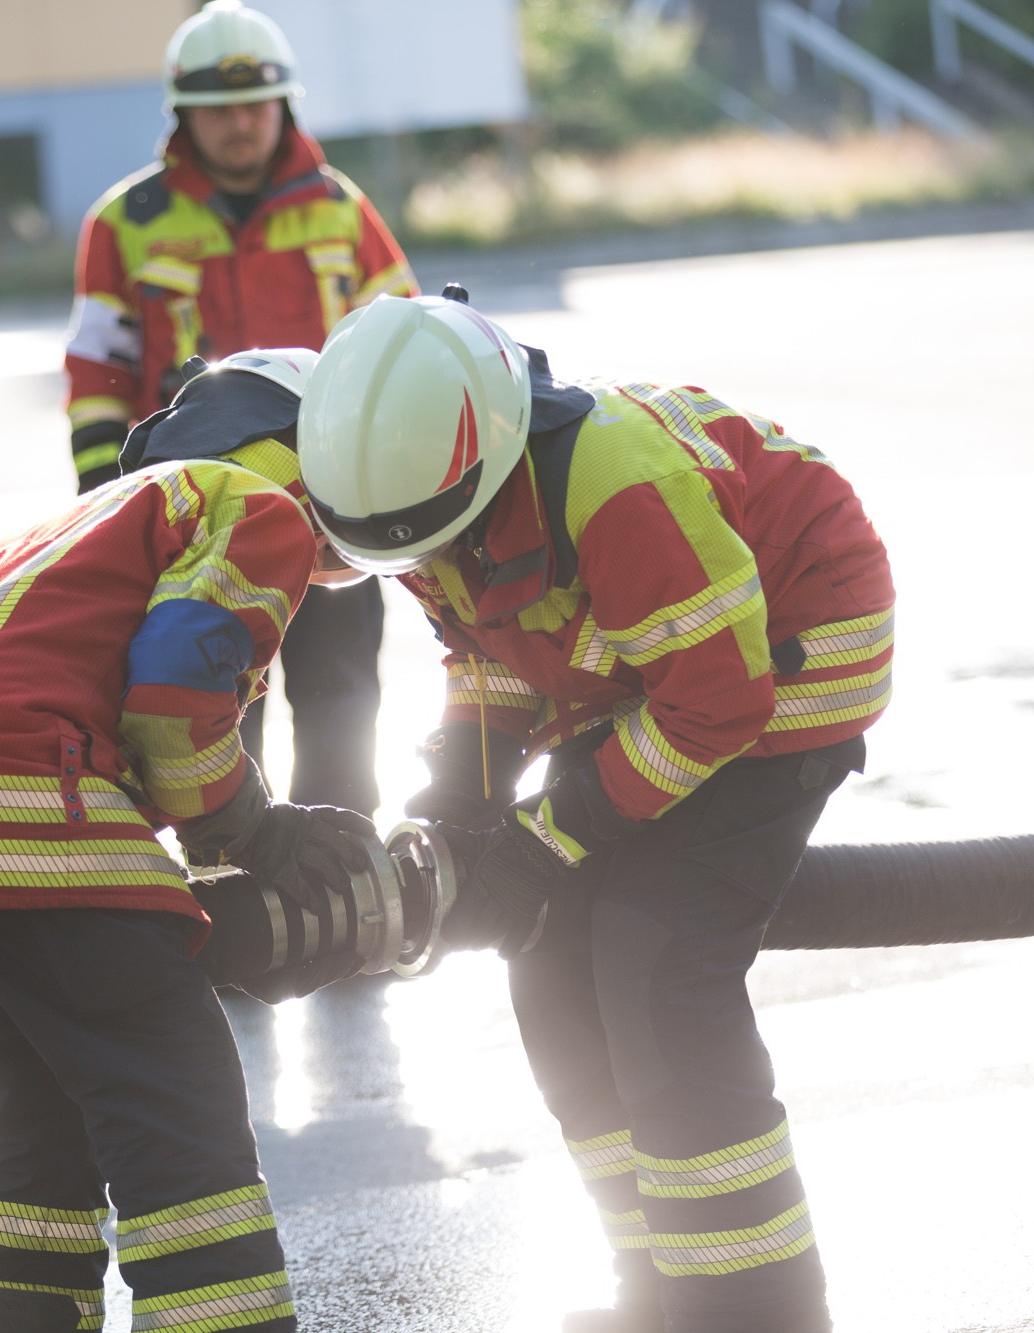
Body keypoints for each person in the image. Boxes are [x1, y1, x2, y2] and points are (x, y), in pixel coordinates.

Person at [297, 291, 897, 1333]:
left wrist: (550, 833)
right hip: (649, 678)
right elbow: (495, 653)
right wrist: (462, 789)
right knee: (548, 958)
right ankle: (659, 1285)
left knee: (658, 956)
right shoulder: (432, 502)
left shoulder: (618, 485)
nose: (427, 571)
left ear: (490, 459)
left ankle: (755, 1306)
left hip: (790, 667)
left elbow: (717, 701)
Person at [0, 350, 374, 1333]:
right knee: (174, 1089)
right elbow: (171, 705)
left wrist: (208, 861)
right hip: (2, 784)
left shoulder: (113, 508)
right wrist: (260, 829)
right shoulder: (260, 506)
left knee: (40, 1104)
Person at [63, 0, 417, 816]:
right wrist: (105, 507)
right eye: (218, 110)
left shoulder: (338, 209)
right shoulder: (125, 223)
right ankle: (235, 892)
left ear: (284, 104)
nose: (239, 125)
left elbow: (408, 352)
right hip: (194, 523)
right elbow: (95, 376)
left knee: (342, 708)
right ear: (183, 114)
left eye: (254, 104)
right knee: (208, 717)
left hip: (336, 509)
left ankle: (342, 877)